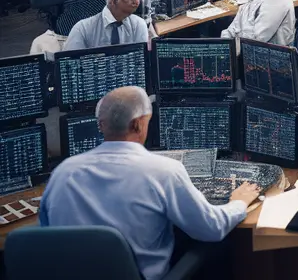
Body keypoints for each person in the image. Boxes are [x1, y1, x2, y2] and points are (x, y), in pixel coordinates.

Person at [40, 87, 258, 280]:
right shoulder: (163, 171)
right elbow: (212, 228)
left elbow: (47, 231)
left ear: (101, 125)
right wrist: (238, 203)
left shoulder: (63, 173)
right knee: (219, 247)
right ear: (137, 124)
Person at [64, 0, 149, 50]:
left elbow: (142, 61)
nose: (136, 2)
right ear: (112, 1)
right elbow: (70, 64)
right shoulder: (82, 29)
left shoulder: (139, 24)